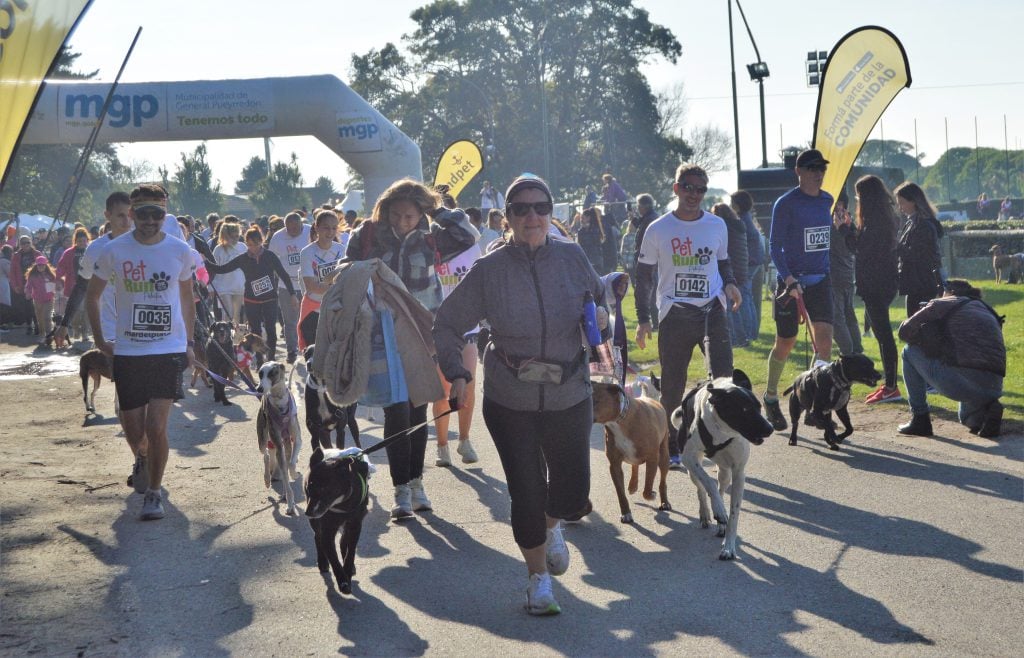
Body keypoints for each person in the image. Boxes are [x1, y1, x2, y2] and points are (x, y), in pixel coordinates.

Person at [433, 174, 608, 616]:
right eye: (521, 209)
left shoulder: (571, 256)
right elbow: (447, 324)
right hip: (511, 398)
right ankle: (537, 580)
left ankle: (552, 528)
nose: (532, 216)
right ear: (507, 217)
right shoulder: (489, 270)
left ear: (551, 212)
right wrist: (456, 371)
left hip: (570, 392)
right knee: (527, 490)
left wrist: (604, 317)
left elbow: (600, 300)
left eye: (541, 207)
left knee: (572, 493)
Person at [346, 178, 478, 520]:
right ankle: (400, 490)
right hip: (382, 333)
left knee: (418, 411)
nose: (403, 221)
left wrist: (438, 209)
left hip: (423, 331)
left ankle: (418, 485)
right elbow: (347, 270)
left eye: (410, 215)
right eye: (397, 214)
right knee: (396, 410)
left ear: (421, 213)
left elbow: (469, 235)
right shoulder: (368, 235)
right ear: (386, 209)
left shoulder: (433, 235)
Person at [86, 183, 197, 521]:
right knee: (134, 428)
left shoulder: (180, 251)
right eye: (143, 214)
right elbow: (91, 296)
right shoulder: (113, 251)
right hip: (129, 351)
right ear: (132, 214)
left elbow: (188, 298)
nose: (150, 221)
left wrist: (189, 345)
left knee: (157, 425)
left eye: (157, 215)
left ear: (165, 214)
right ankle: (142, 457)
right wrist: (102, 340)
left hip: (168, 350)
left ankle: (153, 492)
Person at [634, 163, 741, 468]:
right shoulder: (658, 229)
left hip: (712, 310)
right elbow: (643, 276)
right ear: (676, 188)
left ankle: (720, 440)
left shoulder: (717, 225)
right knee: (672, 385)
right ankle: (672, 445)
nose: (694, 194)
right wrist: (644, 319)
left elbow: (724, 263)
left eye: (701, 188)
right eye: (688, 187)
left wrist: (731, 283)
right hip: (675, 313)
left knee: (723, 379)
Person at [762, 149, 835, 431]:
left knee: (825, 341)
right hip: (791, 284)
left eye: (822, 168)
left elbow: (822, 239)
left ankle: (816, 403)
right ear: (799, 171)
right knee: (786, 342)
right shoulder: (786, 203)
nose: (818, 173)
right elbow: (774, 246)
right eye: (812, 168)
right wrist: (789, 279)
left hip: (821, 281)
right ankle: (770, 396)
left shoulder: (827, 200)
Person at [896, 279, 1005, 438]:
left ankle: (920, 419)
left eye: (942, 291)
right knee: (967, 418)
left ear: (950, 292)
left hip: (964, 382)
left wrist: (925, 320)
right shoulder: (987, 309)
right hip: (994, 387)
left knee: (909, 352)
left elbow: (903, 332)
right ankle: (990, 408)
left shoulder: (944, 303)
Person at [204, 225, 299, 365]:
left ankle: (271, 358)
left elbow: (283, 275)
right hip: (251, 300)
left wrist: (292, 294)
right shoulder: (243, 258)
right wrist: (205, 263)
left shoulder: (270, 256)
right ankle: (260, 361)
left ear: (261, 242)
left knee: (271, 330)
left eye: (255, 244)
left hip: (270, 299)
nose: (252, 248)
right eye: (249, 245)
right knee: (255, 332)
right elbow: (223, 269)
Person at [849, 175, 902, 403]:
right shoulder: (885, 217)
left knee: (884, 336)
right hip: (884, 282)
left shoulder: (875, 222)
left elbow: (860, 249)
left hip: (875, 284)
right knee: (882, 336)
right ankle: (889, 385)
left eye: (858, 196)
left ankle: (891, 387)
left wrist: (845, 230)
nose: (857, 200)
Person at [297, 210, 346, 350]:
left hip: (337, 309)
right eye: (326, 227)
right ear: (317, 227)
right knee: (313, 357)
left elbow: (347, 279)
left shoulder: (342, 250)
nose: (330, 232)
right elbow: (311, 286)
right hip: (314, 310)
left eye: (334, 228)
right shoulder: (307, 252)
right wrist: (337, 287)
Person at [894, 182, 944, 316]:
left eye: (902, 203)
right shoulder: (913, 222)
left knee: (918, 328)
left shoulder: (923, 225)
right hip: (917, 283)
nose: (900, 207)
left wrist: (896, 245)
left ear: (913, 202)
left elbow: (917, 255)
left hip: (922, 284)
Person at [268, 211, 310, 363]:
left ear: (301, 225)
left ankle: (310, 348)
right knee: (290, 320)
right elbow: (270, 260)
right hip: (286, 284)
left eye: (295, 228)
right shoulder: (278, 238)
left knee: (309, 318)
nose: (292, 232)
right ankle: (292, 350)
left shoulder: (310, 231)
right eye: (289, 228)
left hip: (308, 283)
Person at [828, 193, 862, 357]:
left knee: (837, 317)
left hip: (836, 276)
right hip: (848, 275)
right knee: (849, 314)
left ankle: (848, 352)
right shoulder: (851, 224)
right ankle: (857, 349)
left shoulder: (835, 225)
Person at [711, 203, 749, 347]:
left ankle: (735, 339)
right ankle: (742, 337)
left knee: (730, 307)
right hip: (741, 268)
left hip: (730, 269)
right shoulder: (739, 225)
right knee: (738, 306)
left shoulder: (723, 226)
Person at [730, 190, 765, 343]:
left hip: (749, 262)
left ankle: (749, 332)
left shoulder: (741, 221)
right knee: (748, 297)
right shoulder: (748, 218)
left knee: (744, 296)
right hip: (755, 261)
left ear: (737, 205)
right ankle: (752, 332)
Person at [55, 227, 91, 340]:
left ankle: (85, 333)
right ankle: (76, 329)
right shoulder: (69, 252)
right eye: (79, 241)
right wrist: (58, 279)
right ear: (76, 241)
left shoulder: (91, 251)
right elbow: (60, 267)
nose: (82, 243)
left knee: (87, 310)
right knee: (75, 309)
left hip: (89, 286)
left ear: (87, 240)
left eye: (84, 241)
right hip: (73, 286)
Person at [630, 193, 660, 330]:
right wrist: (633, 218)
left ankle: (655, 321)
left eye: (639, 206)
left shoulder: (650, 219)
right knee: (649, 291)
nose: (638, 208)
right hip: (647, 259)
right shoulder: (649, 218)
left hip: (649, 260)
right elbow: (640, 226)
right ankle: (655, 321)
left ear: (644, 205)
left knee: (650, 292)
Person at [210, 220, 247, 327]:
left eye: (237, 236)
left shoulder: (242, 247)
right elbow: (213, 269)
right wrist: (211, 288)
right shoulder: (218, 249)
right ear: (225, 236)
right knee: (228, 313)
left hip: (239, 286)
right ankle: (225, 337)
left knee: (236, 316)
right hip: (223, 287)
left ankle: (235, 340)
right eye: (233, 237)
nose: (236, 239)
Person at [10, 235, 42, 334]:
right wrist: (15, 285)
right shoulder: (16, 255)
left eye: (28, 242)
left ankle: (37, 324)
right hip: (23, 284)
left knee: (37, 305)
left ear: (31, 243)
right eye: (23, 243)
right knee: (27, 305)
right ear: (20, 244)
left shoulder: (37, 254)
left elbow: (45, 267)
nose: (26, 245)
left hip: (37, 283)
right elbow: (12, 272)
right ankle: (29, 325)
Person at [24, 255, 57, 345]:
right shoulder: (32, 276)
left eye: (42, 265)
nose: (41, 267)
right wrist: (28, 293)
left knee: (47, 317)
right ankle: (42, 334)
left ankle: (49, 334)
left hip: (49, 299)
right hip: (37, 300)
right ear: (36, 265)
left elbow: (58, 283)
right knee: (39, 318)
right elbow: (28, 286)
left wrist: (59, 289)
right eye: (39, 265)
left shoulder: (51, 275)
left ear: (46, 265)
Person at [574, 206, 606, 274]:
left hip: (595, 260)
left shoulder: (595, 230)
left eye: (583, 218)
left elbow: (594, 243)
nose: (581, 220)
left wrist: (587, 231)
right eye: (581, 218)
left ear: (588, 218)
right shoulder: (581, 231)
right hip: (586, 259)